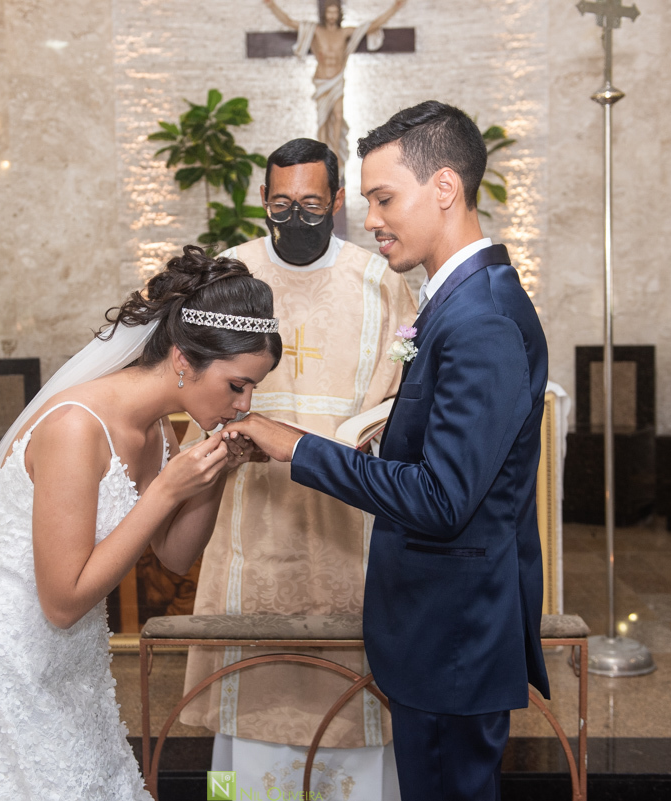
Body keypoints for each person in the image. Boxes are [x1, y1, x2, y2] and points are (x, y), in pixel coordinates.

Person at [225, 101, 550, 801]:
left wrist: (297, 446)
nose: (369, 219)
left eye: (383, 197)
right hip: (444, 631)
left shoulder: (482, 318)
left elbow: (442, 497)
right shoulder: (455, 300)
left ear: (444, 189)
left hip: (451, 637)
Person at [0, 246, 282, 800]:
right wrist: (165, 490)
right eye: (237, 384)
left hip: (70, 666)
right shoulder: (75, 426)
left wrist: (218, 474)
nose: (245, 403)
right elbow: (62, 601)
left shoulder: (163, 429)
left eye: (254, 387)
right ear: (184, 359)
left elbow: (174, 557)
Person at [181, 137, 415, 797]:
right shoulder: (232, 273)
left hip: (348, 521)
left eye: (312, 204)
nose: (296, 217)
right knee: (247, 696)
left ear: (337, 202)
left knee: (355, 700)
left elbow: (404, 394)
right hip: (249, 518)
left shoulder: (381, 280)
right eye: (281, 203)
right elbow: (194, 378)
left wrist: (372, 431)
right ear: (263, 199)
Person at [263, 0, 408, 174]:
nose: (331, 16)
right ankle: (321, 154)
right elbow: (289, 21)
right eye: (329, 12)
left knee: (338, 116)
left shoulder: (344, 33)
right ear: (325, 15)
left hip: (337, 80)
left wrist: (395, 7)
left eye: (334, 12)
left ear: (339, 15)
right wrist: (272, 5)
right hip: (323, 80)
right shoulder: (316, 30)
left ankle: (336, 156)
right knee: (323, 120)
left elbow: (371, 26)